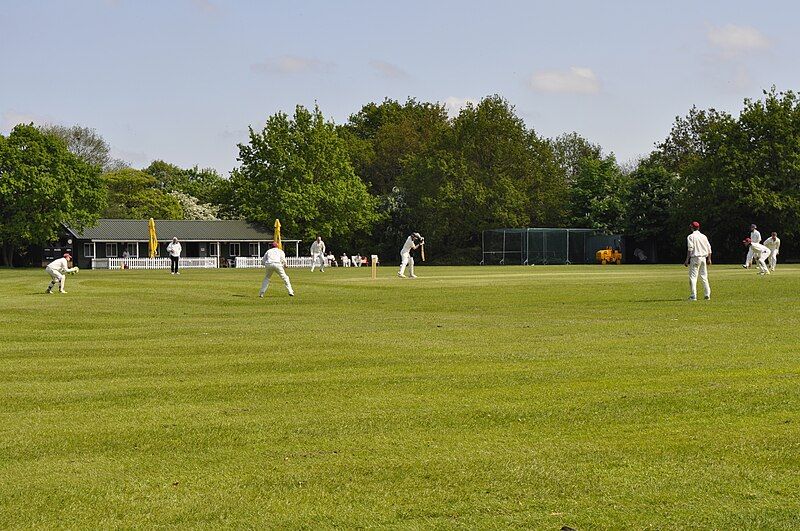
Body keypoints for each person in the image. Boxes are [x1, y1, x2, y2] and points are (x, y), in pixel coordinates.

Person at [684, 222, 711, 301]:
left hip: (695, 258)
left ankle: (693, 295)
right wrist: (709, 259)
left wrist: (687, 260)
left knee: (693, 277)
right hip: (703, 258)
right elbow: (709, 248)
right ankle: (707, 294)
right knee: (704, 276)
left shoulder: (690, 236)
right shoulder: (703, 236)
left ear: (691, 228)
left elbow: (690, 248)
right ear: (698, 228)